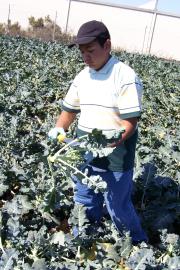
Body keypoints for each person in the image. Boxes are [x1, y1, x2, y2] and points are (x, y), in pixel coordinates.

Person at [48, 20, 148, 244]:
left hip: (116, 160)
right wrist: (58, 128)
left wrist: (108, 143)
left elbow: (130, 122)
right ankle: (83, 239)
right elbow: (68, 111)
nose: (86, 57)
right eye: (82, 52)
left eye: (90, 51)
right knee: (84, 199)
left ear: (107, 45)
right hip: (84, 155)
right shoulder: (82, 77)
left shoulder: (125, 77)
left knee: (117, 206)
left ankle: (139, 245)